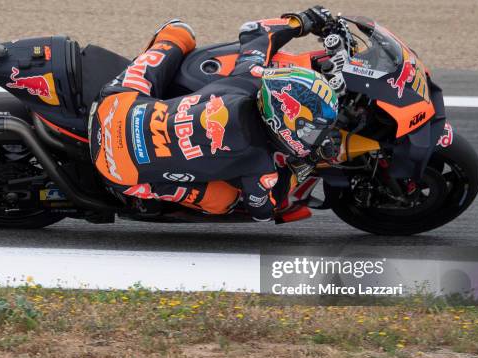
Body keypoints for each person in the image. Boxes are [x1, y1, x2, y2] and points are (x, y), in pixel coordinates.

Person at [89, 6, 339, 221]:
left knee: (179, 32)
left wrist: (301, 22)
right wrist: (304, 165)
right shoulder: (260, 166)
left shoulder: (246, 79)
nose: (314, 134)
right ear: (282, 121)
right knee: (226, 201)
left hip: (113, 108)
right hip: (118, 173)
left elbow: (255, 32)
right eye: (310, 128)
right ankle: (148, 200)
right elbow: (262, 211)